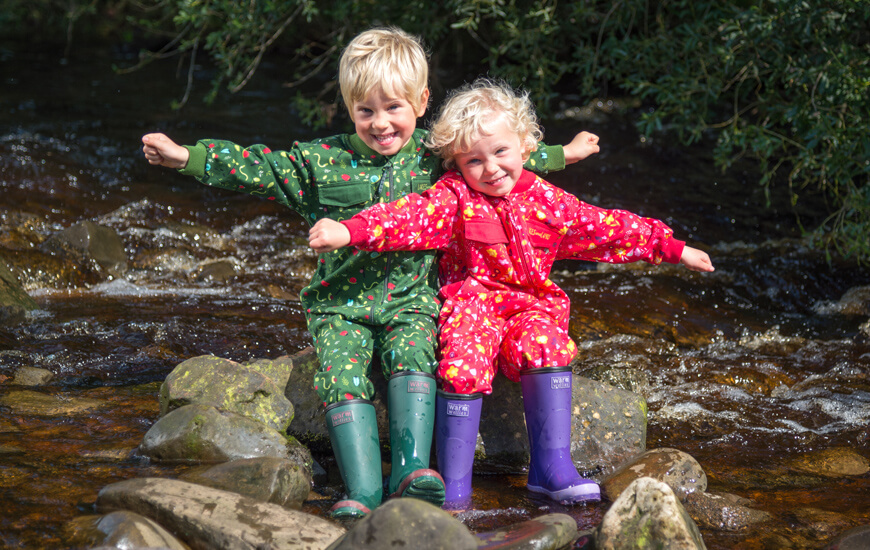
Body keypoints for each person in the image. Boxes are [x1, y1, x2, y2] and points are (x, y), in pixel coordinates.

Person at [142, 28, 595, 518]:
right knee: (340, 374)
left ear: (422, 102)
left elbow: (497, 153)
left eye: (393, 108)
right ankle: (361, 489)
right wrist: (189, 158)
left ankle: (411, 470)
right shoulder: (322, 162)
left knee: (414, 354)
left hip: (412, 301)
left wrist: (562, 155)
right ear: (349, 107)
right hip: (341, 307)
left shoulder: (434, 156)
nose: (381, 124)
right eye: (366, 111)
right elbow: (262, 168)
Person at [308, 78, 715, 508]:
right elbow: (407, 218)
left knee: (549, 344)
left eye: (501, 152)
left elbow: (605, 227)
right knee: (461, 361)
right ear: (457, 165)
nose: (491, 169)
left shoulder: (548, 200)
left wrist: (672, 248)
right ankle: (456, 486)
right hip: (473, 303)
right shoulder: (454, 198)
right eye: (473, 161)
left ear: (524, 145)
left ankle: (551, 469)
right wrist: (350, 229)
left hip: (530, 304)